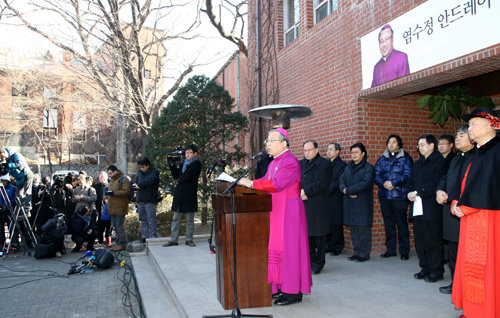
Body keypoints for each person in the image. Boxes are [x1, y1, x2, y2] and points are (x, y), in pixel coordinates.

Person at [238, 128, 312, 306]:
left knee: (290, 251)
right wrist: (250, 186)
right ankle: (279, 287)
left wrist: (252, 183)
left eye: (271, 141)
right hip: (276, 211)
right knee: (277, 250)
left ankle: (293, 291)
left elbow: (277, 184)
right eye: (267, 141)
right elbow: (265, 180)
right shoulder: (272, 163)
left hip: (290, 212)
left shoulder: (291, 162)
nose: (267, 144)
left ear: (284, 143)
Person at [451, 108, 500, 318]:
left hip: (488, 218)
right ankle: (472, 311)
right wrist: (456, 201)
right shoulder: (477, 152)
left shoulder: (496, 151)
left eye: (473, 124)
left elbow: (488, 187)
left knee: (486, 268)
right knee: (469, 266)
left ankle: (487, 312)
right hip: (469, 219)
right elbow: (465, 182)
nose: (469, 128)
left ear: (491, 125)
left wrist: (464, 207)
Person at [435, 125, 476, 294]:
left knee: (468, 253)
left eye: (461, 135)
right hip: (451, 211)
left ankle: (469, 287)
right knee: (453, 251)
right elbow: (446, 178)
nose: (457, 139)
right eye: (457, 136)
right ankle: (455, 283)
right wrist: (439, 190)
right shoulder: (457, 158)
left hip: (468, 212)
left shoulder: (478, 158)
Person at [407, 134, 447, 283]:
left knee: (433, 240)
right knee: (420, 240)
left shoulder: (440, 162)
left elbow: (436, 182)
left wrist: (418, 192)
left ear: (432, 145)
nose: (420, 148)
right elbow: (410, 181)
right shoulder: (418, 163)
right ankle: (425, 267)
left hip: (431, 206)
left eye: (422, 145)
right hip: (417, 206)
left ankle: (436, 270)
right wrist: (409, 192)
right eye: (419, 145)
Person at [374, 134, 412, 260]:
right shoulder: (382, 159)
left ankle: (404, 250)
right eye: (389, 142)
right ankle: (390, 249)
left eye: (394, 142)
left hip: (399, 196)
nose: (391, 144)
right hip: (385, 196)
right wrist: (383, 183)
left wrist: (394, 183)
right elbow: (377, 175)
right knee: (388, 224)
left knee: (401, 224)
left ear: (399, 144)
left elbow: (407, 174)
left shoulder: (405, 158)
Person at [299, 140, 332, 275]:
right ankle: (310, 261)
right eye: (305, 150)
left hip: (318, 205)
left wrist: (305, 191)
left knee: (319, 237)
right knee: (307, 237)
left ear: (317, 150)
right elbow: (295, 180)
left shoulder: (325, 164)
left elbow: (322, 183)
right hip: (304, 204)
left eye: (310, 150)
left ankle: (319, 263)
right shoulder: (300, 164)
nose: (307, 153)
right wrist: (300, 191)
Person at [339, 142, 375, 262]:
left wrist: (348, 190)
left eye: (356, 152)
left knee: (363, 228)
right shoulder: (348, 167)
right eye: (352, 152)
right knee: (354, 228)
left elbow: (365, 183)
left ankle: (364, 253)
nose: (353, 155)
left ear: (363, 154)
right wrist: (345, 190)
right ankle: (356, 252)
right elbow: (341, 180)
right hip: (350, 202)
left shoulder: (368, 167)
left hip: (362, 202)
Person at [163, 145, 201, 248]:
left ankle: (189, 239)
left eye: (190, 153)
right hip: (180, 193)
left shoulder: (196, 164)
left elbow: (187, 176)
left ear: (195, 154)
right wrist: (171, 164)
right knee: (176, 218)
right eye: (186, 153)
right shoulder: (184, 162)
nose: (187, 155)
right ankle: (173, 239)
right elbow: (176, 176)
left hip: (189, 193)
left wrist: (180, 179)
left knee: (189, 219)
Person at [325, 142, 346, 256]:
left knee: (336, 223)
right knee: (328, 222)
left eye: (331, 149)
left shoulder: (342, 165)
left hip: (336, 197)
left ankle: (337, 246)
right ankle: (329, 244)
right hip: (326, 198)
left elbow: (338, 181)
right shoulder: (326, 164)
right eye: (327, 149)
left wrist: (326, 191)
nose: (328, 151)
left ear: (337, 152)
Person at [0, 147, 34, 213]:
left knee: (27, 192)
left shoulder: (16, 155)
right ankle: (20, 211)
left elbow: (19, 165)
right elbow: (6, 172)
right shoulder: (6, 160)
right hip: (18, 179)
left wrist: (7, 165)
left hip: (26, 174)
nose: (2, 157)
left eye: (2, 156)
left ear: (4, 152)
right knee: (18, 195)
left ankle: (27, 210)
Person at [106, 165, 131, 252]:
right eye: (108, 174)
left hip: (120, 207)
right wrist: (106, 196)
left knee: (120, 226)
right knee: (115, 226)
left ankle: (122, 244)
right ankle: (118, 243)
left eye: (111, 173)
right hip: (112, 207)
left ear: (115, 171)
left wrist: (113, 193)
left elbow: (126, 191)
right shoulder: (112, 180)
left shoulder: (123, 179)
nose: (110, 175)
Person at [135, 157, 160, 243]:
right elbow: (136, 182)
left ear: (147, 165)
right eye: (140, 167)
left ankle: (153, 235)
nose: (141, 169)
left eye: (143, 167)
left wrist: (140, 185)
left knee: (151, 219)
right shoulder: (139, 173)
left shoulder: (154, 172)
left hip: (150, 199)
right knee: (143, 219)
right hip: (141, 199)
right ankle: (144, 236)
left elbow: (151, 180)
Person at [94, 171, 111, 246]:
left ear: (106, 177)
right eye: (100, 177)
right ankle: (100, 240)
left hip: (108, 209)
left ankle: (108, 241)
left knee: (109, 226)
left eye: (103, 177)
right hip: (99, 208)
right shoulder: (96, 186)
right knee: (100, 226)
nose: (102, 178)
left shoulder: (110, 186)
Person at [0, 174, 16, 248]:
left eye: (4, 180)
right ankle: (1, 243)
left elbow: (14, 198)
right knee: (1, 227)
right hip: (1, 210)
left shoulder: (12, 188)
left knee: (12, 226)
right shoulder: (0, 189)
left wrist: (9, 205)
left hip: (10, 209)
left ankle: (14, 242)